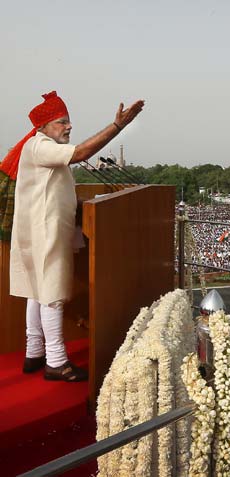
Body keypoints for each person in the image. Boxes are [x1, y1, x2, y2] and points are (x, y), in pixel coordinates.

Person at [8, 91, 144, 382]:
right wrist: (117, 126)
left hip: (41, 232)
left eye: (69, 122)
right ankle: (56, 362)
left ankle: (35, 352)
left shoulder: (39, 147)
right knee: (52, 294)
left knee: (37, 291)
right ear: (43, 127)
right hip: (45, 234)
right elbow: (81, 153)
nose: (69, 127)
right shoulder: (39, 145)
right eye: (62, 122)